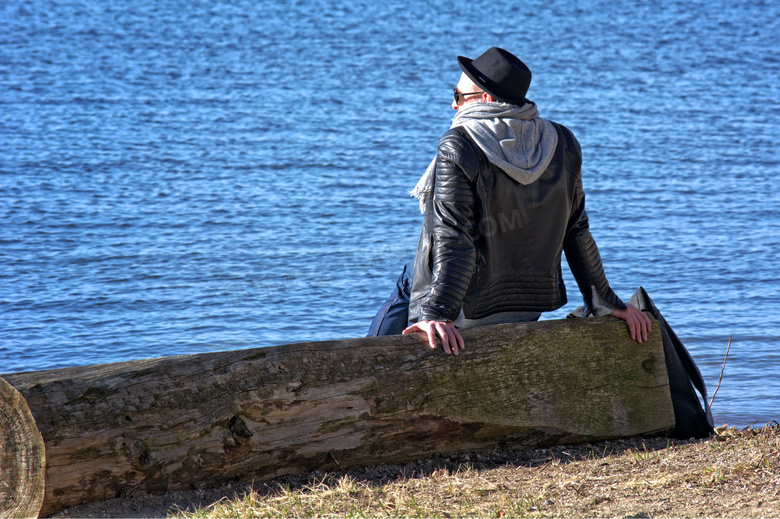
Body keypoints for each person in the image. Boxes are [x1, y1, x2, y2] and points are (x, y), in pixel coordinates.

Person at [368, 47, 651, 355]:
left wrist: (437, 313)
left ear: (487, 98)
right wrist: (604, 300)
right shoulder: (562, 142)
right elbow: (576, 230)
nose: (453, 104)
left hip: (466, 307)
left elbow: (455, 238)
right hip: (528, 305)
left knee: (411, 277)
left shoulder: (461, 142)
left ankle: (365, 365)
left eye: (459, 96)